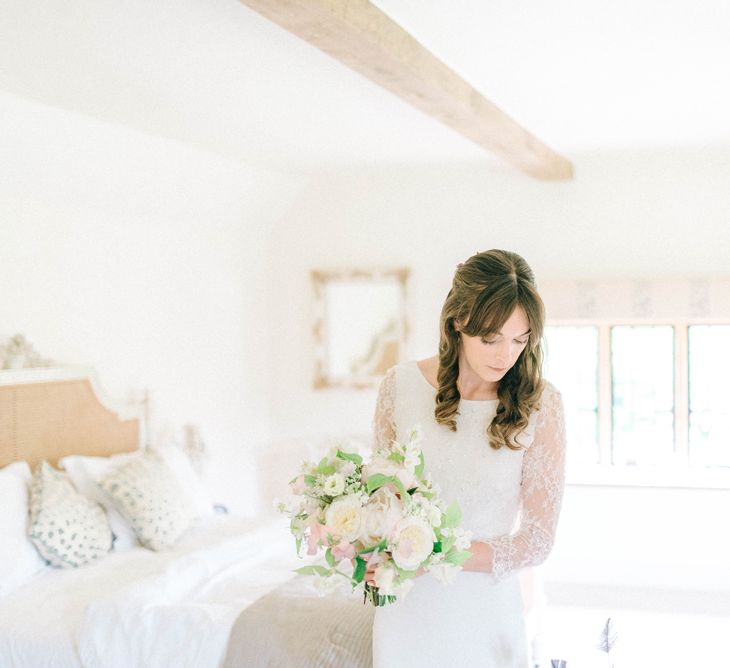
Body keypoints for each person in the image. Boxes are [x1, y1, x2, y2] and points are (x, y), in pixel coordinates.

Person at [369, 249, 567, 668]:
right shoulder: (399, 386)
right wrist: (370, 548)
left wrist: (435, 554)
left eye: (520, 339)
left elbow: (537, 541)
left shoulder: (542, 404)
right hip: (407, 609)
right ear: (458, 322)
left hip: (484, 610)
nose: (505, 354)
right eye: (491, 338)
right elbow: (381, 498)